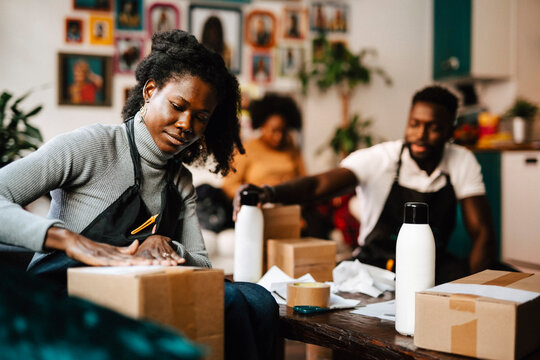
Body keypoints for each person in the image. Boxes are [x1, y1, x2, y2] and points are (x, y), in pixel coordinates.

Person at [0, 30, 278, 360]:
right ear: (150, 91)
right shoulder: (92, 146)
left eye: (200, 117)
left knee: (259, 299)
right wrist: (70, 240)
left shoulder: (180, 182)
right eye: (178, 106)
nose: (186, 124)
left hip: (138, 294)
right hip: (65, 291)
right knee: (229, 301)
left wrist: (165, 245)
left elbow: (202, 265)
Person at [234, 85, 502, 284]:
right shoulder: (382, 158)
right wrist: (268, 192)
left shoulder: (461, 160)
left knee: (502, 274)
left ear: (449, 131)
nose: (420, 134)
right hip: (377, 265)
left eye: (432, 127)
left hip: (432, 264)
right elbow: (318, 184)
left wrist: (475, 291)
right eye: (414, 124)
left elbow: (482, 233)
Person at [224, 94, 331, 239]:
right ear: (262, 126)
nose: (279, 136)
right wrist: (252, 196)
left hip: (292, 207)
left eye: (283, 131)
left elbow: (305, 182)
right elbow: (229, 185)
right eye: (274, 130)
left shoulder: (292, 149)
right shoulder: (247, 149)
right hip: (261, 208)